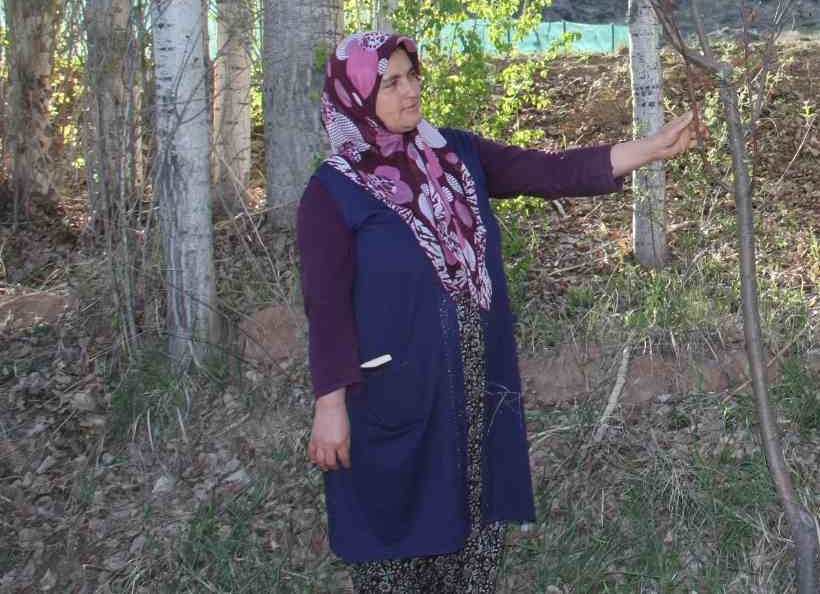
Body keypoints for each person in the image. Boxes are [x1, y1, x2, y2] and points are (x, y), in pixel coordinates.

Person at [297, 31, 702, 593]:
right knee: (398, 529)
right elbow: (327, 307)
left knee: (472, 511)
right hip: (392, 388)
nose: (409, 91)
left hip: (473, 377)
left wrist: (649, 148)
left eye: (412, 76)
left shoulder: (454, 154)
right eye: (390, 83)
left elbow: (548, 171)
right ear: (356, 94)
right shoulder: (334, 191)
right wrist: (330, 404)